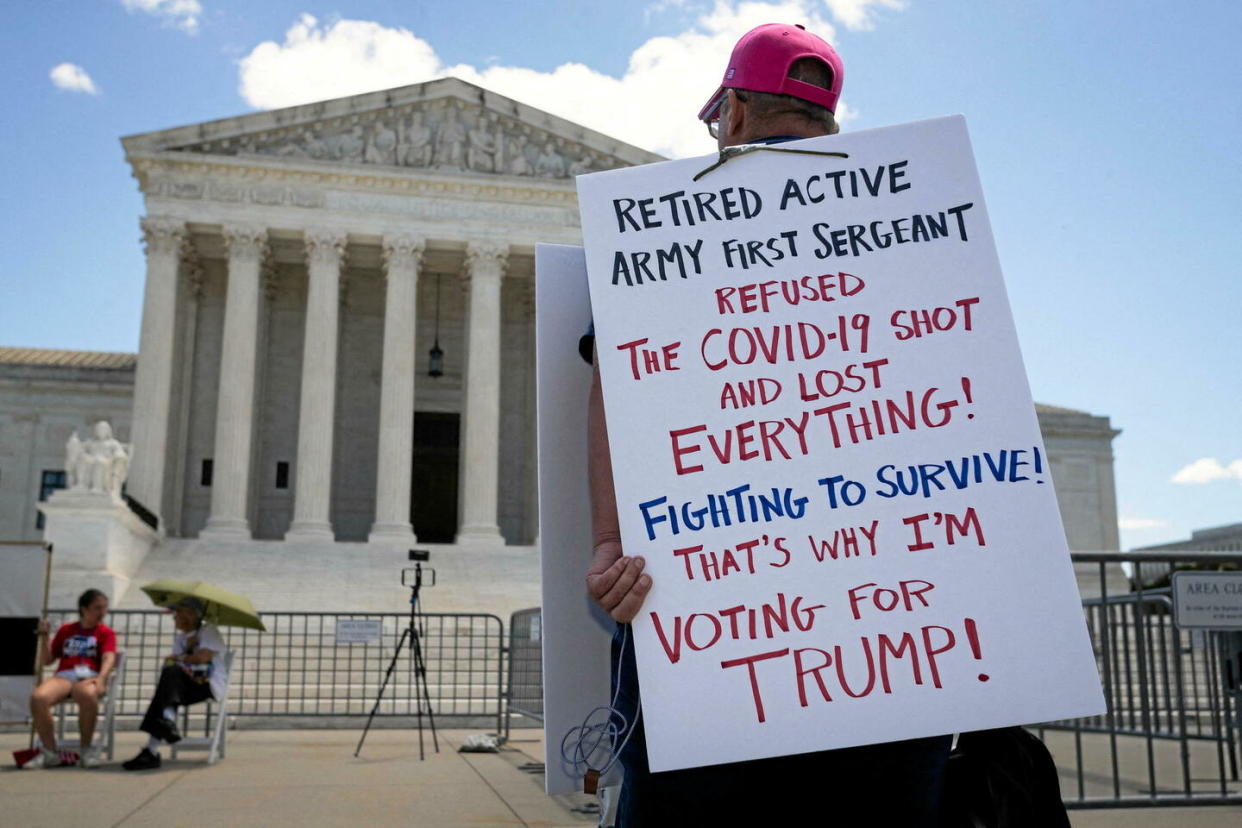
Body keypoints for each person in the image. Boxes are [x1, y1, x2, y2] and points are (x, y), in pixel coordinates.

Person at [585, 23, 952, 826]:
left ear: (737, 112)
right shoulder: (919, 217)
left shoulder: (666, 225)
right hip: (897, 655)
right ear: (828, 121)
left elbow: (618, 378)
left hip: (716, 665)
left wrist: (610, 547)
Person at [122, 596, 229, 770]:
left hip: (207, 685)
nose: (174, 617)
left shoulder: (208, 631)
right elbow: (172, 663)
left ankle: (154, 746)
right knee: (168, 682)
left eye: (178, 612)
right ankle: (160, 735)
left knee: (168, 683)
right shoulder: (181, 638)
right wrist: (184, 653)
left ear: (191, 614)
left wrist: (182, 656)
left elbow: (202, 658)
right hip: (184, 686)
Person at [27, 588, 117, 769]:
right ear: (84, 609)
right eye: (97, 608)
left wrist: (101, 679)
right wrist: (44, 638)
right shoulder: (66, 630)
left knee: (85, 694)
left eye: (104, 608)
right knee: (38, 698)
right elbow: (47, 660)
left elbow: (109, 657)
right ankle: (50, 752)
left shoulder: (105, 633)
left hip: (90, 675)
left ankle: (86, 750)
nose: (102, 613)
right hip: (65, 675)